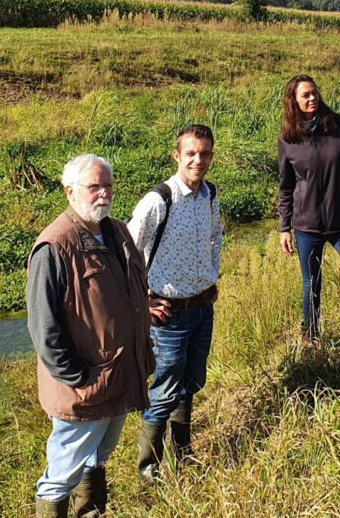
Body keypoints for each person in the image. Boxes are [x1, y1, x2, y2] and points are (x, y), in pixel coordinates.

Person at [26, 153, 156, 517]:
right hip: (85, 387)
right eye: (93, 186)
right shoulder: (54, 246)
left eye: (108, 186)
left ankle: (91, 512)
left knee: (96, 459)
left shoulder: (117, 231)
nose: (103, 194)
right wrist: (79, 379)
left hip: (118, 375)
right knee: (61, 475)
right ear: (69, 191)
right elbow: (43, 328)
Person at [127, 125, 222, 482]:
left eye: (205, 153)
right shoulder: (159, 200)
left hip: (201, 309)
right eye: (192, 153)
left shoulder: (210, 195)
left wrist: (210, 278)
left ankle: (185, 457)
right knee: (164, 391)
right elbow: (129, 254)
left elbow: (215, 237)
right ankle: (149, 472)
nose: (199, 160)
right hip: (168, 315)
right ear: (177, 156)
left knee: (191, 383)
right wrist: (141, 303)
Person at [277, 74, 340, 342]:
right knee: (312, 286)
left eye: (314, 93)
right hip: (306, 225)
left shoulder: (338, 127)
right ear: (294, 101)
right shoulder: (288, 139)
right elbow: (286, 186)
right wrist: (284, 227)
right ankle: (311, 339)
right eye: (305, 95)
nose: (312, 98)